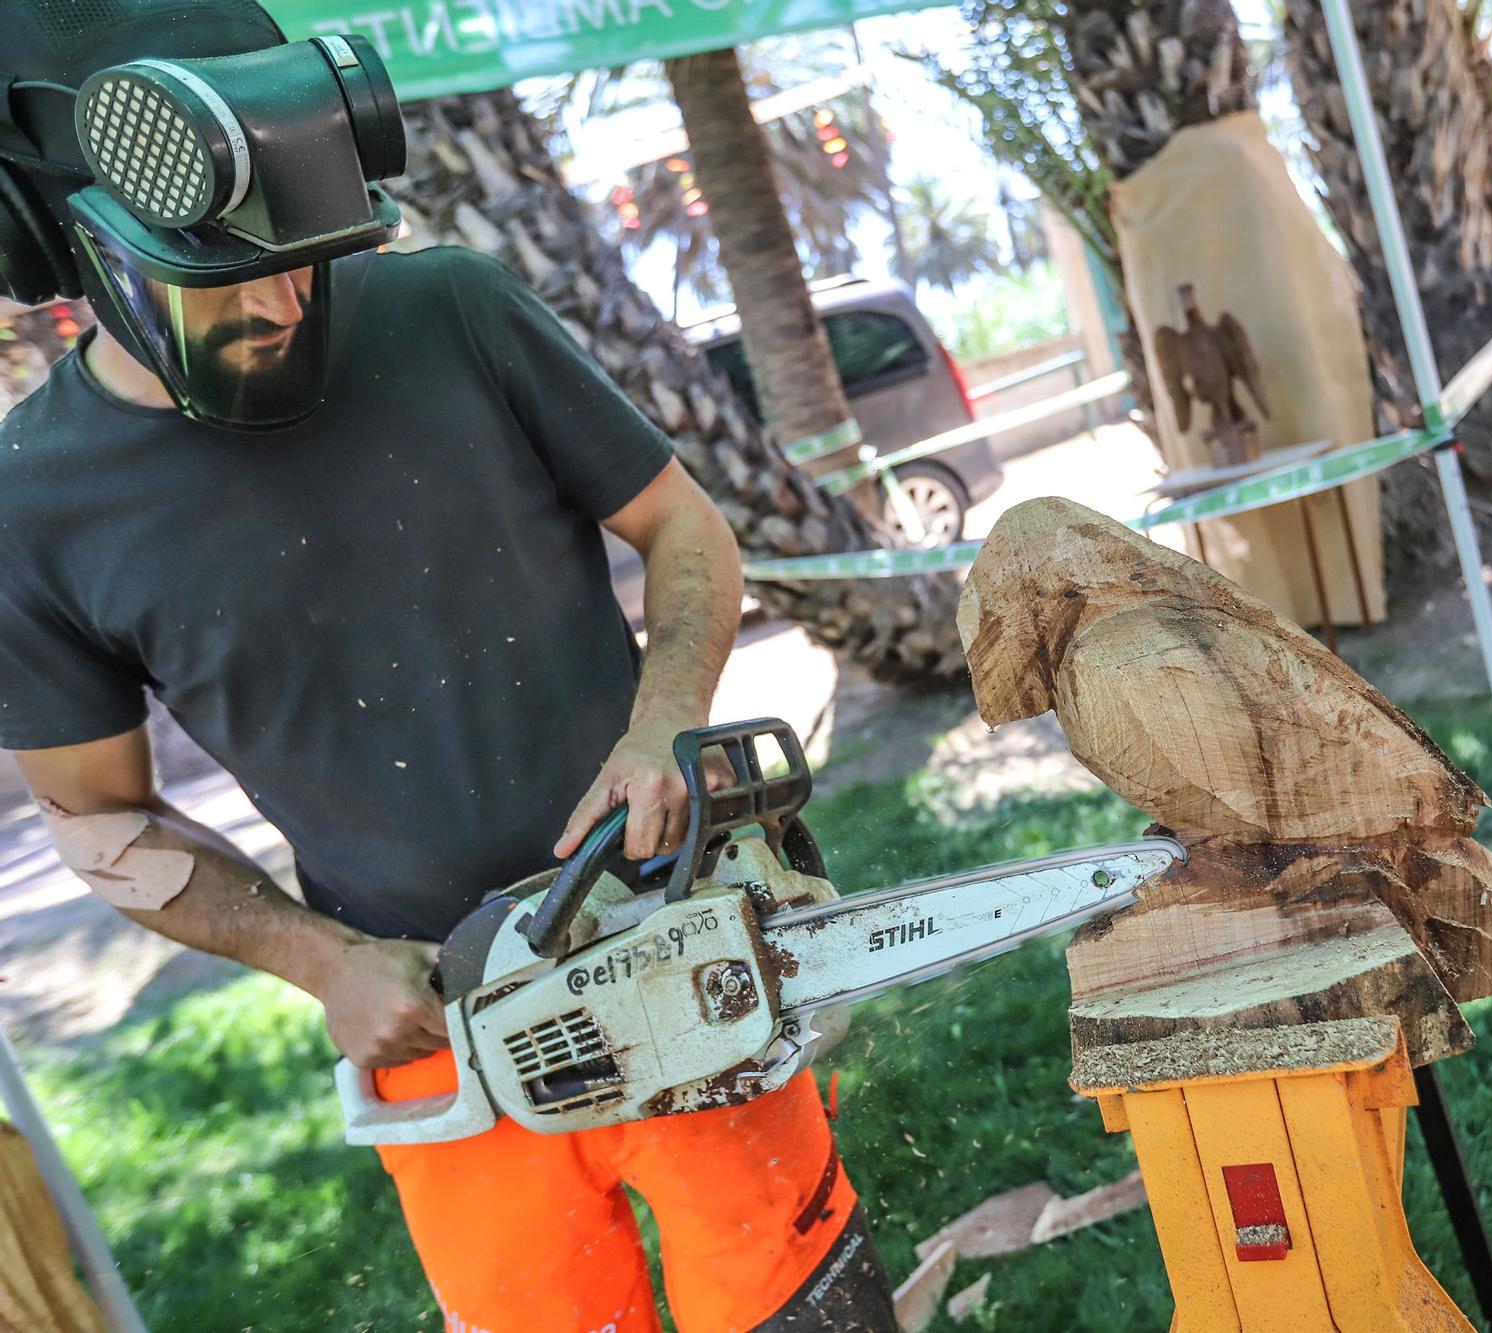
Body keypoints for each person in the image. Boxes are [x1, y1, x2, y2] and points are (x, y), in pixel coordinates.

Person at [0, 4, 895, 1329]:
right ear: (76, 245)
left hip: (669, 939)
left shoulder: (452, 311)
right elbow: (97, 817)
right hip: (435, 1026)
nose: (279, 301)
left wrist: (661, 726)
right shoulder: (35, 503)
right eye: (226, 278)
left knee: (799, 1303)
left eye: (300, 261)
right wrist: (323, 963)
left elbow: (685, 530)